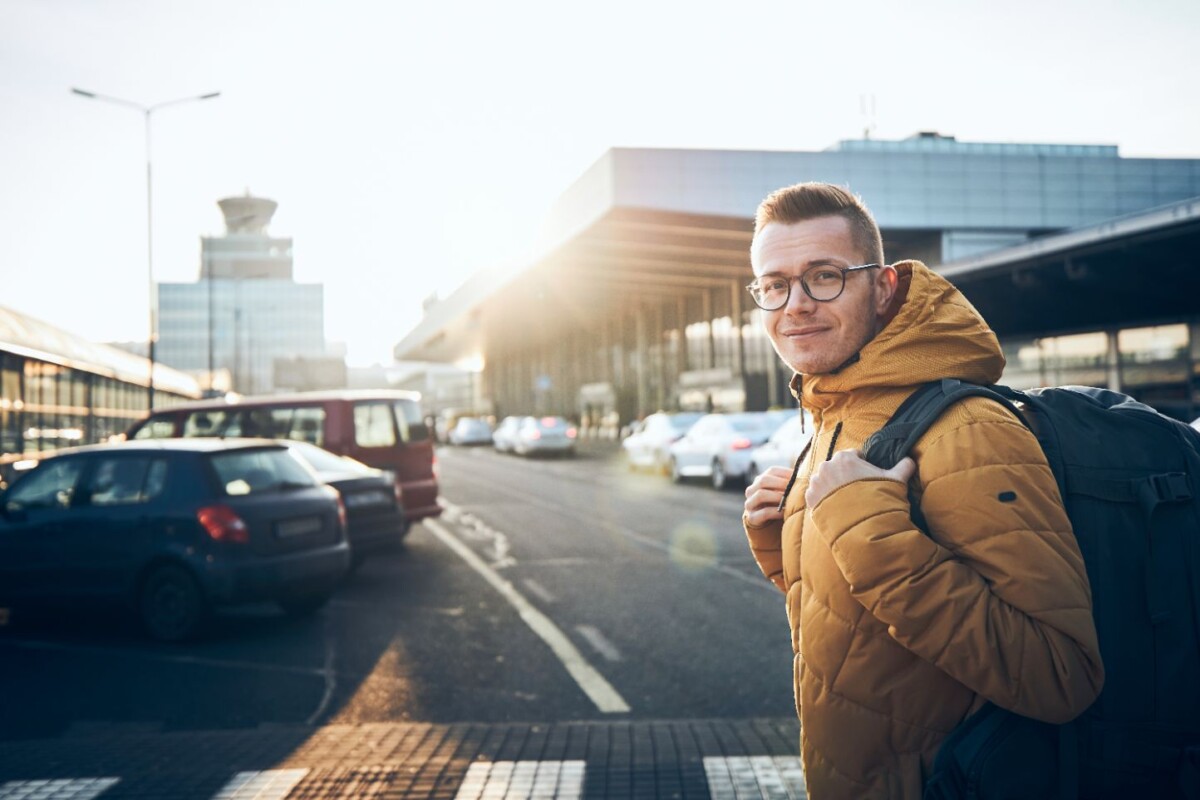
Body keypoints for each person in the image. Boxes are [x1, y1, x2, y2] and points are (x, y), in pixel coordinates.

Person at [741, 182, 1104, 798]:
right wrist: (788, 541)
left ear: (882, 288)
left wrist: (865, 531)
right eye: (774, 285)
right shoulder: (839, 412)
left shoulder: (969, 430)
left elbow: (1059, 674)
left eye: (824, 276)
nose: (795, 304)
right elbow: (868, 628)